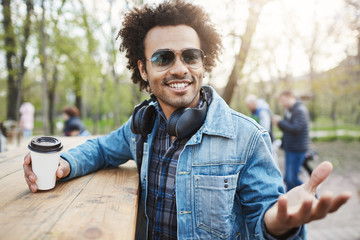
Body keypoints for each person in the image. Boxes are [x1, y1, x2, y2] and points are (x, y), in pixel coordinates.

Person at [23, 1, 351, 239]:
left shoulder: (247, 137)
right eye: (164, 57)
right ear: (142, 69)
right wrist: (63, 163)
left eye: (190, 56)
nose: (180, 68)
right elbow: (100, 149)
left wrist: (282, 225)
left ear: (202, 64)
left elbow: (263, 222)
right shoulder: (142, 126)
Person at [272, 90, 310, 192]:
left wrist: (280, 122)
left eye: (282, 100)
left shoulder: (299, 110)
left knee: (292, 179)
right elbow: (288, 129)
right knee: (288, 180)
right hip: (290, 148)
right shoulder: (290, 110)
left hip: (297, 149)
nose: (281, 103)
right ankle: (289, 202)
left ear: (290, 97)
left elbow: (295, 128)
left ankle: (313, 197)